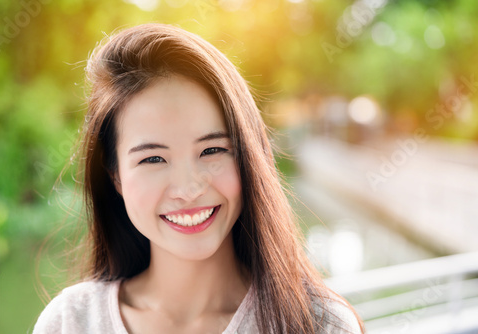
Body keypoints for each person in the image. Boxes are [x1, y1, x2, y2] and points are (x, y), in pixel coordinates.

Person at [33, 23, 364, 334]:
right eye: (152, 159)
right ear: (116, 176)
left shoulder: (319, 324)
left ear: (249, 155)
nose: (189, 189)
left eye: (212, 150)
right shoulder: (70, 322)